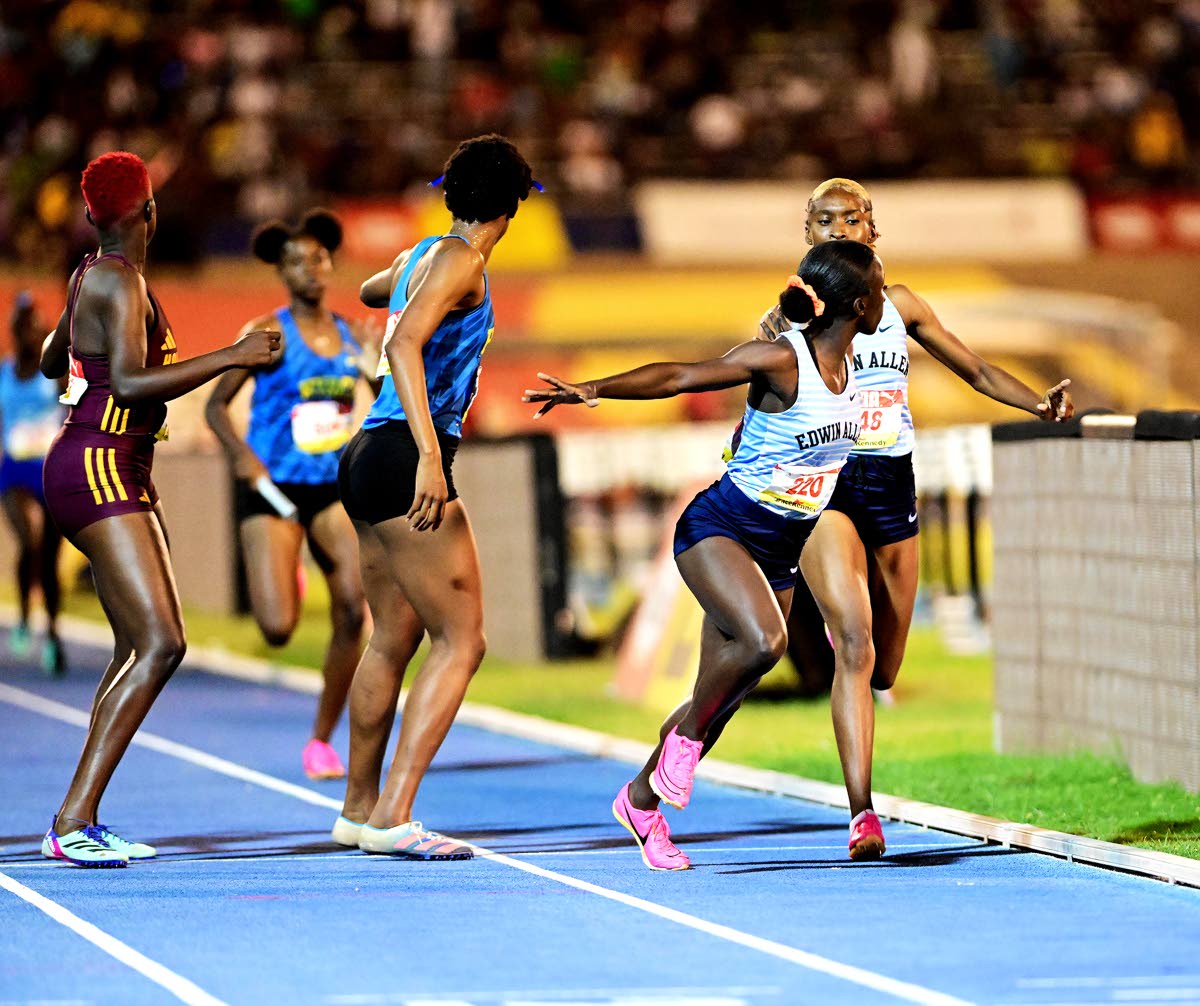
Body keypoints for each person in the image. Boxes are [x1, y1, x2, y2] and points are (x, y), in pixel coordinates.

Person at [524, 239, 885, 871]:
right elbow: (679, 375)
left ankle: (640, 799)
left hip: (781, 548)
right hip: (720, 529)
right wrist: (592, 389)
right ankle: (682, 746)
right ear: (857, 304)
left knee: (720, 696)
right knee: (765, 644)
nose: (887, 297)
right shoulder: (782, 360)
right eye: (880, 288)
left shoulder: (857, 372)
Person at [757, 178, 1075, 858]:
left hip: (892, 484)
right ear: (807, 233)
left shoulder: (901, 307)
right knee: (855, 642)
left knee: (886, 666)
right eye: (824, 220)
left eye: (851, 217)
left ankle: (861, 681)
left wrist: (1037, 405)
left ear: (874, 228)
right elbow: (759, 389)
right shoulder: (789, 313)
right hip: (829, 481)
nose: (839, 227)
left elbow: (977, 370)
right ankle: (861, 812)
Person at [38, 151, 281, 867]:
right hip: (101, 465)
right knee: (161, 643)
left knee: (135, 646)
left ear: (93, 217)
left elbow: (55, 360)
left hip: (105, 464)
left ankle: (80, 814)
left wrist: (87, 352)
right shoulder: (118, 278)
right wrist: (232, 356)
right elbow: (139, 382)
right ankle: (72, 818)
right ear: (149, 211)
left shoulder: (93, 274)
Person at [331, 134, 536, 860]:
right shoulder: (464, 262)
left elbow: (369, 293)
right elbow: (403, 343)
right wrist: (428, 455)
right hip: (403, 453)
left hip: (364, 456)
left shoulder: (425, 255)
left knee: (392, 637)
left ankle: (359, 810)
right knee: (463, 640)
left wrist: (404, 282)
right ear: (512, 206)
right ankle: (394, 814)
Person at [206, 210, 377, 780]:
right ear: (281, 271)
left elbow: (386, 397)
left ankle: (322, 742)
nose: (310, 268)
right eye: (296, 261)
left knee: (355, 605)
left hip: (330, 489)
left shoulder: (355, 336)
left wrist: (379, 369)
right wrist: (242, 457)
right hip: (272, 489)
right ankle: (290, 567)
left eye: (318, 258)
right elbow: (215, 406)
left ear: (330, 264)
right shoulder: (269, 334)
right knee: (278, 627)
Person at [1, 292, 67, 675]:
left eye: (35, 327)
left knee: (49, 555)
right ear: (14, 331)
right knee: (30, 541)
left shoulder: (55, 374)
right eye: (22, 328)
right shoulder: (4, 373)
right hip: (15, 471)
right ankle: (25, 614)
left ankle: (53, 634)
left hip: (50, 467)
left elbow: (75, 407)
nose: (29, 335)